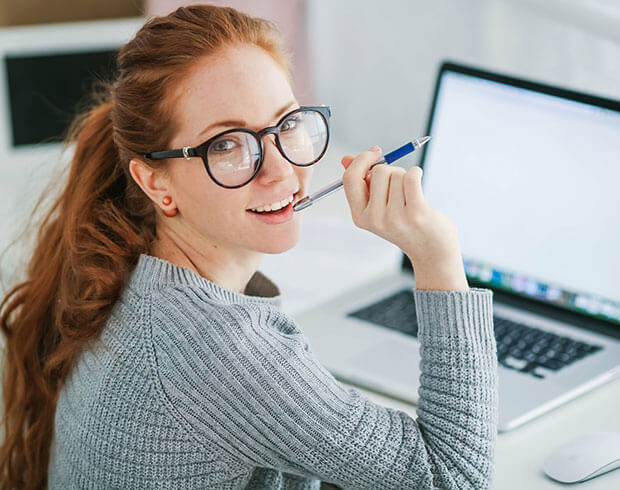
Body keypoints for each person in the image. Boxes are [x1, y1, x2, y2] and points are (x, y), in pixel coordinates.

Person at [0, 4, 498, 489]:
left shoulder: (130, 273)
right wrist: (437, 257)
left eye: (286, 125)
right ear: (155, 183)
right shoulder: (218, 353)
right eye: (227, 144)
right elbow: (452, 478)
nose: (281, 170)